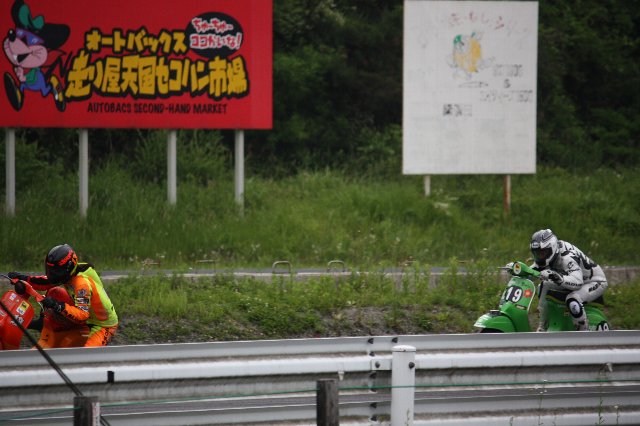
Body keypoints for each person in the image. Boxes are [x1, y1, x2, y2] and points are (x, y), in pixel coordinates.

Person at [9, 244, 118, 347]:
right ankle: (43, 323)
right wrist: (23, 278)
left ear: (68, 268)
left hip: (102, 324)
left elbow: (83, 315)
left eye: (55, 271)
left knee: (87, 356)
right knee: (54, 292)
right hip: (87, 314)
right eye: (50, 270)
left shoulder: (81, 284)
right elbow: (45, 282)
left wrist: (57, 305)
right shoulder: (68, 274)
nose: (52, 274)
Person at [529, 229, 608, 332]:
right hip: (573, 278)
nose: (540, 256)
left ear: (552, 248)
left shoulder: (567, 257)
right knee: (543, 286)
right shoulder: (552, 253)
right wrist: (519, 270)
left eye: (543, 253)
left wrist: (559, 278)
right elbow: (533, 270)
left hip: (594, 281)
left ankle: (583, 331)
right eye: (537, 253)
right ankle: (543, 325)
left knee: (573, 299)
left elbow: (578, 282)